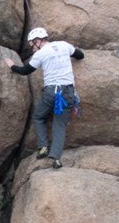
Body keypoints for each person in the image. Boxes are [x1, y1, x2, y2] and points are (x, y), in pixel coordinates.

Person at [10, 27, 84, 168]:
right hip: (67, 92)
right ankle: (55, 158)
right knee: (59, 125)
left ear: (38, 41)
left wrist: (12, 66)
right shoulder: (64, 45)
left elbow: (25, 71)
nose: (32, 47)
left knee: (39, 117)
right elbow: (80, 55)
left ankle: (43, 147)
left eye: (32, 43)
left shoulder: (39, 55)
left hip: (51, 92)